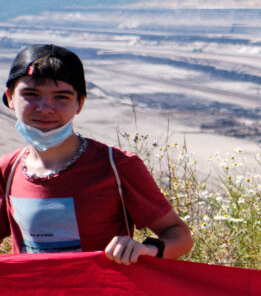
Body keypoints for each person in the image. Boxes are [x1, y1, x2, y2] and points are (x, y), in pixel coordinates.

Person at [0, 44, 193, 263]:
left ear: (80, 103)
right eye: (31, 94)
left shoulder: (117, 165)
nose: (45, 107)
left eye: (61, 97)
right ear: (10, 98)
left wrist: (146, 249)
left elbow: (180, 236)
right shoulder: (8, 168)